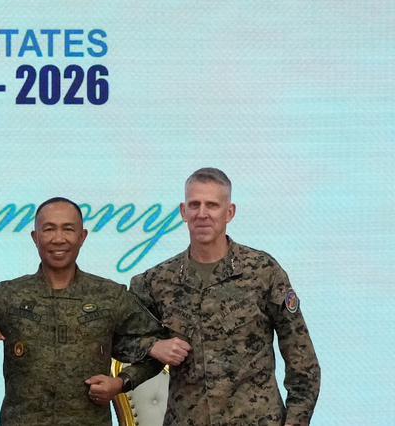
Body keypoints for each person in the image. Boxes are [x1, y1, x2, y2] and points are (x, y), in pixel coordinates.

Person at [0, 197, 172, 426]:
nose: (58, 239)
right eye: (49, 229)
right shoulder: (8, 295)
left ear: (82, 236)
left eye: (68, 229)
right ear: (35, 237)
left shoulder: (110, 295)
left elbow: (159, 348)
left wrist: (121, 383)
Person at [129, 168, 321, 426]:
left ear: (229, 212)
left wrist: (296, 421)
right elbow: (123, 339)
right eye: (194, 205)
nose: (202, 214)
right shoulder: (156, 281)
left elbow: (302, 358)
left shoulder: (263, 271)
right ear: (183, 212)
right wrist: (153, 346)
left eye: (212, 205)